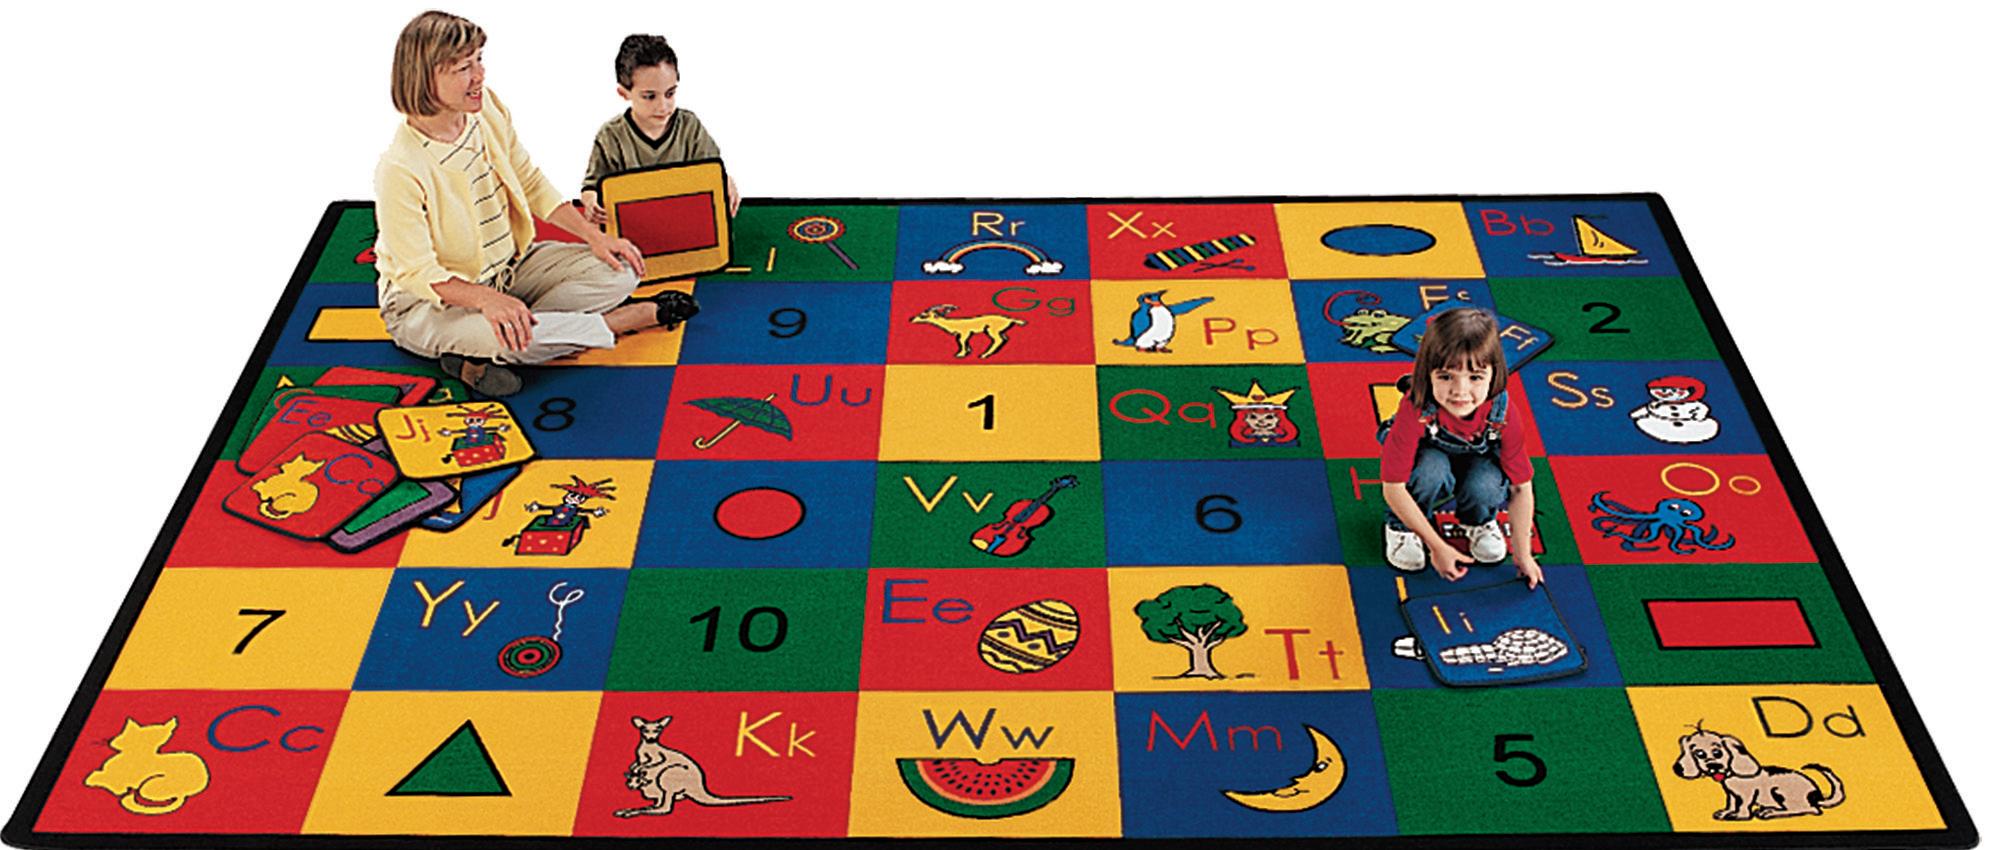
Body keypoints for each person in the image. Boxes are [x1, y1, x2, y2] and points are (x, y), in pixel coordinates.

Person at [373, 11, 693, 398]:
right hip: (429, 305)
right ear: (425, 77)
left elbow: (528, 180)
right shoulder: (399, 168)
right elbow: (419, 272)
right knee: (520, 338)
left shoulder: (485, 109)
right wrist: (487, 300)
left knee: (622, 269)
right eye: (463, 68)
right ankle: (618, 320)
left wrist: (594, 236)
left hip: (511, 269)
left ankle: (489, 347)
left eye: (479, 61)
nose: (479, 76)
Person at [1378, 307, 1544, 588]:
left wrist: (1523, 554)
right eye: (1446, 376)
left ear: (1494, 375)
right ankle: (1402, 527)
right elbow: (1393, 487)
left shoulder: (1504, 414)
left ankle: (1478, 521)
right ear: (1427, 374)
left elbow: (1520, 488)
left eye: (1475, 377)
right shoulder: (1415, 408)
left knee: (1487, 483)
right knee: (1431, 471)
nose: (1460, 391)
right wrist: (1437, 546)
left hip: (1476, 459)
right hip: (1429, 456)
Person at [579, 34, 741, 224]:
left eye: (670, 93)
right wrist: (591, 201)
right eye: (650, 96)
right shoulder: (611, 136)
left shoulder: (690, 127)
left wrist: (726, 181)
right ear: (624, 93)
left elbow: (713, 173)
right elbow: (591, 187)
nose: (663, 106)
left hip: (683, 222)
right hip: (633, 227)